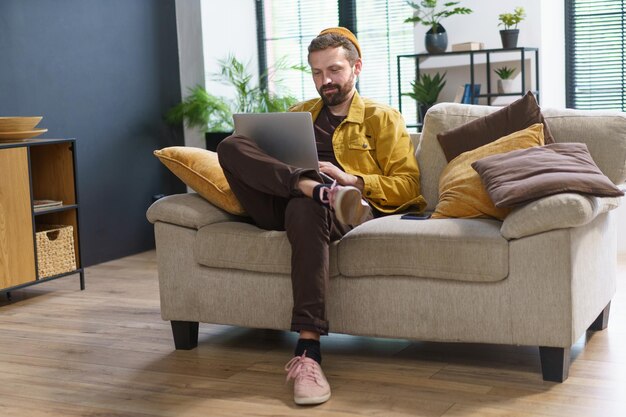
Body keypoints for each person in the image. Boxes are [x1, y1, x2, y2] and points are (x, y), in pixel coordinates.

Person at [216, 27, 426, 406]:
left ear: (356, 67)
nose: (324, 81)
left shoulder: (382, 118)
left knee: (308, 206)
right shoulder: (298, 115)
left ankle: (308, 352)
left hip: (337, 208)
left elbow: (408, 186)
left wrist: (351, 179)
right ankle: (309, 185)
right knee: (230, 144)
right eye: (316, 72)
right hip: (283, 199)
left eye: (334, 70)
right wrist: (301, 180)